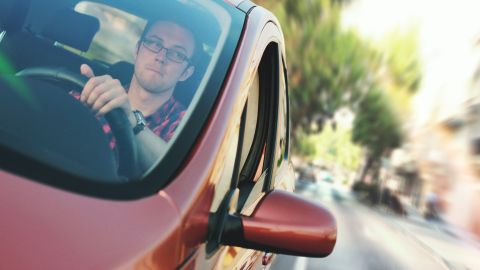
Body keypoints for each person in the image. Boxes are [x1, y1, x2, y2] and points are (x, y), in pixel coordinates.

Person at [78, 19, 197, 173]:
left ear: (186, 73)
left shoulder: (189, 127)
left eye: (177, 54)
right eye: (154, 43)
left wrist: (133, 121)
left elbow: (179, 176)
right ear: (137, 50)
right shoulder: (96, 92)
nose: (161, 57)